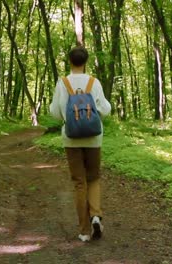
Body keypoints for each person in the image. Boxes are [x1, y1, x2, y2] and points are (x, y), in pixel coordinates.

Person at [50, 46, 111, 242]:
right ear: (85, 62)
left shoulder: (63, 83)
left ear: (70, 61)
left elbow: (56, 111)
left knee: (79, 182)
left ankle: (84, 231)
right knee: (93, 177)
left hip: (71, 138)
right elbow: (105, 109)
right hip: (94, 138)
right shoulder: (94, 82)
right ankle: (95, 215)